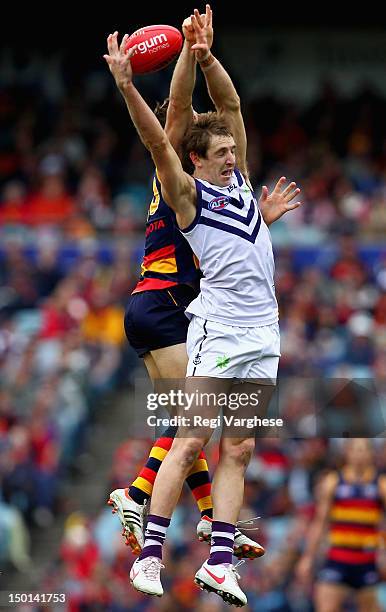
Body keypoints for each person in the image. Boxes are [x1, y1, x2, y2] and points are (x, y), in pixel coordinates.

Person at [104, 12, 301, 607]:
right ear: (197, 161)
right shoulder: (188, 196)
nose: (232, 157)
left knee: (237, 449)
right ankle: (148, 550)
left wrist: (206, 53)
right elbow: (162, 135)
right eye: (220, 152)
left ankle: (219, 563)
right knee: (191, 438)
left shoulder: (243, 187)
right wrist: (129, 86)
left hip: (263, 335)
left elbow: (231, 106)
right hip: (211, 325)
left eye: (231, 150)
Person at [296, 439, 386, 612]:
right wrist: (307, 557)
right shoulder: (334, 482)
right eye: (356, 450)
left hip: (366, 561)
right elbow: (320, 523)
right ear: (347, 452)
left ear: (371, 454)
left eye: (364, 450)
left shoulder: (380, 485)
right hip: (337, 559)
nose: (360, 454)